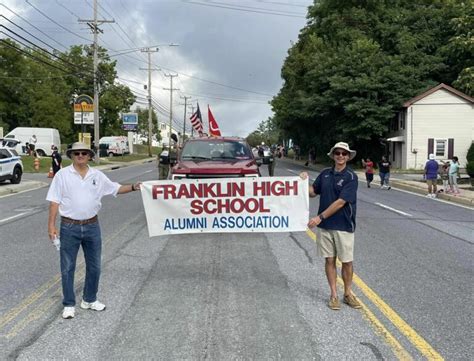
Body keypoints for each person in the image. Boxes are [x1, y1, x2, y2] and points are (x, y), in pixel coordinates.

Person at [46, 142, 142, 319]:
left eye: (84, 153)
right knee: (68, 267)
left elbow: (116, 188)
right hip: (69, 227)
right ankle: (69, 304)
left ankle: (89, 299)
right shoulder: (62, 175)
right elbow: (54, 201)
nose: (80, 155)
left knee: (95, 266)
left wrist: (134, 187)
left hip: (92, 226)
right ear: (72, 156)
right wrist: (51, 226)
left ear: (89, 156)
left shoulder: (97, 175)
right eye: (76, 153)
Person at [300, 142, 361, 311]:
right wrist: (302, 182)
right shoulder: (325, 174)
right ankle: (334, 294)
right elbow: (313, 192)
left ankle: (348, 293)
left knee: (347, 261)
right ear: (333, 155)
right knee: (329, 260)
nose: (340, 156)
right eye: (337, 153)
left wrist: (320, 217)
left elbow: (341, 202)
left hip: (343, 225)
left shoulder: (351, 176)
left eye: (344, 153)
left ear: (348, 157)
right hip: (326, 226)